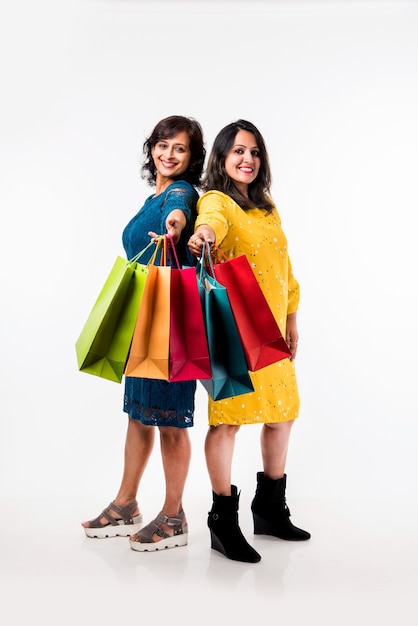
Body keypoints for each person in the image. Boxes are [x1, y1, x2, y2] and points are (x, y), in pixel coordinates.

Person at [188, 119, 310, 563]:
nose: (248, 159)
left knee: (283, 415)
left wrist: (292, 317)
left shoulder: (266, 205)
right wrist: (203, 236)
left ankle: (270, 509)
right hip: (236, 332)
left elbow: (285, 265)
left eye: (255, 152)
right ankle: (222, 519)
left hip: (274, 328)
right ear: (222, 157)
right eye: (238, 151)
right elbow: (211, 223)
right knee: (229, 421)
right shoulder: (217, 201)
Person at [82, 115, 205, 552]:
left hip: (172, 321)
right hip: (144, 318)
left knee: (170, 420)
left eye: (180, 149)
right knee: (137, 414)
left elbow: (180, 209)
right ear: (152, 147)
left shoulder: (181, 192)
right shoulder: (150, 195)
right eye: (162, 144)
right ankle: (125, 504)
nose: (168, 154)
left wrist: (175, 223)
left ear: (191, 158)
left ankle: (174, 515)